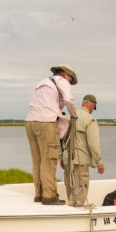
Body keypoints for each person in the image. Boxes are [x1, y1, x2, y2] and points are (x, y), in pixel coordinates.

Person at [25, 64, 79, 205]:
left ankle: (39, 194)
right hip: (47, 122)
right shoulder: (62, 81)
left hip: (30, 122)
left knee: (38, 160)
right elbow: (68, 100)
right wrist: (74, 114)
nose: (70, 81)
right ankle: (49, 197)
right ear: (65, 74)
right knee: (49, 161)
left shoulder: (41, 83)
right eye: (70, 78)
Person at [62, 94, 105, 206]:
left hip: (67, 160)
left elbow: (60, 140)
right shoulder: (90, 120)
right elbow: (93, 144)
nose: (92, 111)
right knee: (79, 196)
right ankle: (76, 219)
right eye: (93, 108)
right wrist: (99, 162)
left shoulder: (68, 117)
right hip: (80, 163)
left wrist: (61, 158)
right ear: (92, 105)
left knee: (70, 192)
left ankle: (69, 218)